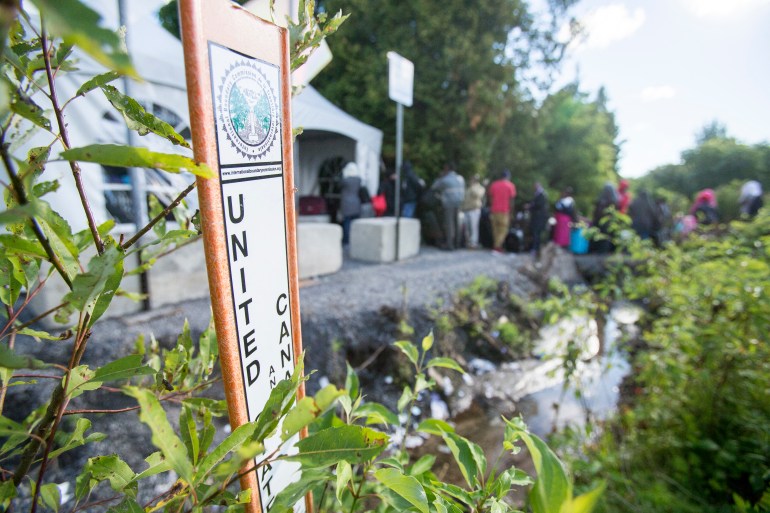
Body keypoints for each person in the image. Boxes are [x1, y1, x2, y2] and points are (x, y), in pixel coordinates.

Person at [429, 163, 465, 250]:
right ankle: (457, 244)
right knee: (457, 223)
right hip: (459, 202)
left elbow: (434, 187)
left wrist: (440, 177)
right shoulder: (460, 178)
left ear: (447, 169)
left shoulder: (445, 179)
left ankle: (450, 245)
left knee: (449, 224)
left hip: (449, 203)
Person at [487, 169, 517, 252]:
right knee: (503, 229)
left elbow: (490, 198)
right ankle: (497, 246)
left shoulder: (494, 185)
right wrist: (511, 211)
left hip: (494, 210)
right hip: (504, 211)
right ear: (508, 177)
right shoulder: (510, 186)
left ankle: (496, 246)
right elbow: (511, 200)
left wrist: (491, 206)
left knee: (495, 229)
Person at [339, 161, 363, 245]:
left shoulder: (346, 180)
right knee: (355, 224)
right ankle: (355, 240)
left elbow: (339, 183)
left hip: (347, 204)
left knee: (347, 223)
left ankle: (346, 240)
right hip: (356, 203)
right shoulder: (358, 180)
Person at [592, 182, 619, 253]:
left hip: (606, 221)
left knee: (605, 236)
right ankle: (601, 250)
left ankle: (603, 251)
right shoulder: (609, 199)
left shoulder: (612, 200)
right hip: (602, 221)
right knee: (602, 236)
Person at [461, 174, 485, 248]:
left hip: (474, 210)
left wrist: (473, 187)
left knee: (473, 227)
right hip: (466, 210)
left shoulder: (480, 188)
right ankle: (468, 242)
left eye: (473, 179)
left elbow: (477, 195)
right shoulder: (468, 188)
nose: (471, 180)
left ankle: (474, 243)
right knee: (467, 228)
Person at [528, 182, 549, 256]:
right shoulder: (538, 194)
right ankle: (535, 249)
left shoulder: (541, 195)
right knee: (535, 233)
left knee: (536, 233)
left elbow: (538, 205)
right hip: (537, 217)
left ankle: (535, 249)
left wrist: (530, 206)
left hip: (539, 218)